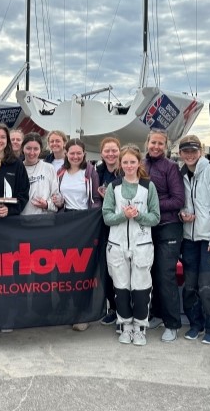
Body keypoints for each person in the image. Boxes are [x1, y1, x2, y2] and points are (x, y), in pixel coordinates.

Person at [102, 145, 160, 346]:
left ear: (138, 163)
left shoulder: (147, 187)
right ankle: (125, 325)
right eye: (125, 162)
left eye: (132, 162)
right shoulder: (114, 187)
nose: (128, 165)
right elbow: (107, 216)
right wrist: (123, 215)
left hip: (141, 243)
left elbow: (155, 217)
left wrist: (139, 215)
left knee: (141, 287)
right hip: (117, 243)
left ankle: (139, 327)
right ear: (121, 164)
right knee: (121, 287)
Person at [178, 135, 210, 346]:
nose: (189, 155)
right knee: (189, 286)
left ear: (200, 151)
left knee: (208, 287)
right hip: (189, 238)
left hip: (209, 239)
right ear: (180, 153)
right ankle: (195, 324)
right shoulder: (180, 174)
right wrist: (183, 213)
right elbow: (180, 202)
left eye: (193, 150)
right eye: (185, 151)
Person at [143, 129, 184, 343]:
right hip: (147, 226)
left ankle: (172, 324)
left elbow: (178, 200)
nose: (156, 147)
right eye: (153, 143)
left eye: (160, 143)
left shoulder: (171, 167)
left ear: (166, 146)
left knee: (165, 274)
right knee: (150, 272)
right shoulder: (141, 164)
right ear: (147, 142)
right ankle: (157, 315)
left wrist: (151, 206)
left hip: (169, 226)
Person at [57, 138, 102, 331]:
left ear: (84, 154)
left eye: (79, 153)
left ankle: (83, 313)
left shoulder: (90, 172)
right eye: (72, 153)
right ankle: (66, 308)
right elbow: (59, 199)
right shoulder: (60, 172)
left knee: (82, 269)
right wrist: (57, 202)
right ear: (66, 153)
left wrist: (92, 221)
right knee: (64, 268)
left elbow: (96, 199)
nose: (75, 156)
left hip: (84, 222)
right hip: (65, 222)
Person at [95, 137, 122, 327]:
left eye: (114, 150)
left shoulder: (127, 170)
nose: (111, 154)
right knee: (108, 268)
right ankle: (112, 308)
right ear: (102, 153)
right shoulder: (98, 171)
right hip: (105, 225)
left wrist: (111, 198)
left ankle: (126, 309)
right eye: (107, 151)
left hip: (123, 225)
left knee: (123, 269)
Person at [21, 132, 60, 215]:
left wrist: (46, 205)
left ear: (40, 150)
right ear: (22, 148)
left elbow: (56, 196)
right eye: (28, 148)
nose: (32, 152)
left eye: (36, 149)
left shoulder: (49, 168)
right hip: (21, 221)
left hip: (44, 221)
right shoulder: (18, 168)